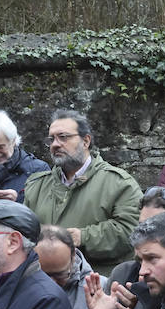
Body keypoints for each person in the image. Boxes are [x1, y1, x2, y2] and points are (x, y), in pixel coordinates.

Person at [22, 108, 141, 273]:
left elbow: (132, 230)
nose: (55, 144)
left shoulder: (119, 183)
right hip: (44, 283)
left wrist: (83, 237)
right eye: (51, 139)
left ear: (86, 141)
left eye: (63, 137)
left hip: (96, 284)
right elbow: (23, 231)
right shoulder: (36, 185)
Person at [0, 109, 50, 204]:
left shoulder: (38, 171)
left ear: (13, 141)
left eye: (0, 147)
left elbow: (48, 212)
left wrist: (17, 204)